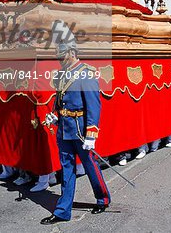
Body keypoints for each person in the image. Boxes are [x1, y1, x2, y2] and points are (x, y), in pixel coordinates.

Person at [40, 40, 110, 225]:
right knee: (67, 169)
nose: (59, 58)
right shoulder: (63, 74)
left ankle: (102, 198)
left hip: (80, 130)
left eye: (61, 55)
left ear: (71, 52)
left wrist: (91, 134)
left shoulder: (86, 73)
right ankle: (63, 211)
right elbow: (61, 98)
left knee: (90, 165)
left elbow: (94, 106)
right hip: (64, 128)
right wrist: (56, 117)